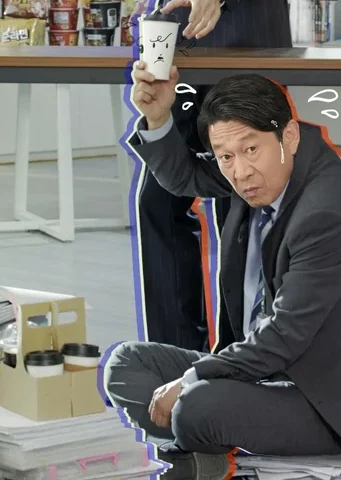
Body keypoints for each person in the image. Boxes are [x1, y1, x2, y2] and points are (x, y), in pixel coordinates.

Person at [106, 64, 341, 479]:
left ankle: (202, 443)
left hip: (331, 400)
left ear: (289, 136)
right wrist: (159, 118)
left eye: (251, 150)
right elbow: (186, 176)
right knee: (126, 365)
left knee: (197, 405)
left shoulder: (327, 213)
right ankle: (204, 449)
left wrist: (193, 378)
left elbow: (284, 336)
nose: (239, 172)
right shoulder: (263, 169)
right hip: (263, 374)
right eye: (226, 157)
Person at [135, 0, 292, 352]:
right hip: (177, 43)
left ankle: (239, 356)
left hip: (248, 42)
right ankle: (175, 356)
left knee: (240, 207)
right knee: (158, 200)